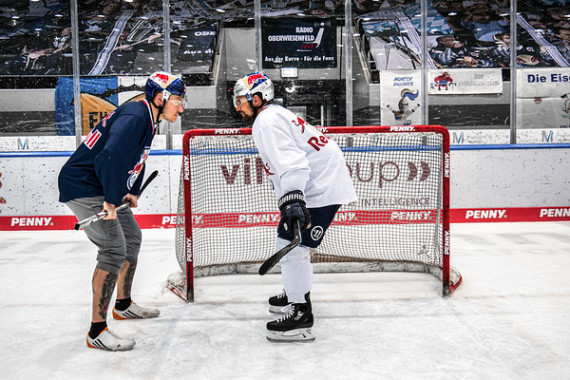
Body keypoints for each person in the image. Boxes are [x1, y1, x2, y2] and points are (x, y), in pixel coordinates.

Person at [58, 71, 186, 351]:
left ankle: (123, 304)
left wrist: (132, 190)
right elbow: (110, 155)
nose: (181, 107)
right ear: (160, 97)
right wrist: (112, 199)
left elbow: (134, 158)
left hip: (103, 185)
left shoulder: (147, 118)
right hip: (85, 186)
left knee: (132, 238)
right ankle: (97, 330)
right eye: (177, 100)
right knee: (114, 249)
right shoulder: (136, 116)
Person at [232, 72, 357, 342]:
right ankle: (294, 293)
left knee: (293, 248)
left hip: (319, 186)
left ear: (257, 98)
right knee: (287, 243)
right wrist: (290, 195)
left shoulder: (266, 121)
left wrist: (294, 197)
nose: (237, 106)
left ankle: (301, 313)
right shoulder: (273, 114)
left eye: (240, 100)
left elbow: (293, 161)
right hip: (316, 182)